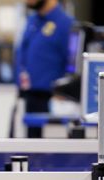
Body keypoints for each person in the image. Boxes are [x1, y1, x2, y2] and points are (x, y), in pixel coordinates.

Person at [15, 0, 73, 138]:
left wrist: (64, 91)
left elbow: (72, 63)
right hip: (28, 96)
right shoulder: (32, 20)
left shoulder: (66, 23)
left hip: (51, 99)